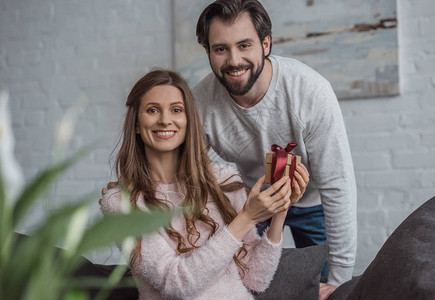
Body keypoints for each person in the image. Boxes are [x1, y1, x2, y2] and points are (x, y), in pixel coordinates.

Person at [193, 1, 357, 298]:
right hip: (255, 202)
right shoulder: (200, 104)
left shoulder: (309, 91)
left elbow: (338, 186)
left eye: (245, 45)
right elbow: (183, 174)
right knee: (246, 285)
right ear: (208, 52)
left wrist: (340, 280)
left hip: (313, 203)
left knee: (326, 287)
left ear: (265, 44)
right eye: (220, 49)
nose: (234, 60)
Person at [100, 69, 310, 299]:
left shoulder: (224, 179)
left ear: (189, 120)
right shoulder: (121, 203)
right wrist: (246, 218)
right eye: (152, 110)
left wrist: (280, 209)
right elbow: (177, 284)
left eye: (176, 110)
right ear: (137, 125)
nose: (165, 120)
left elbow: (256, 279)